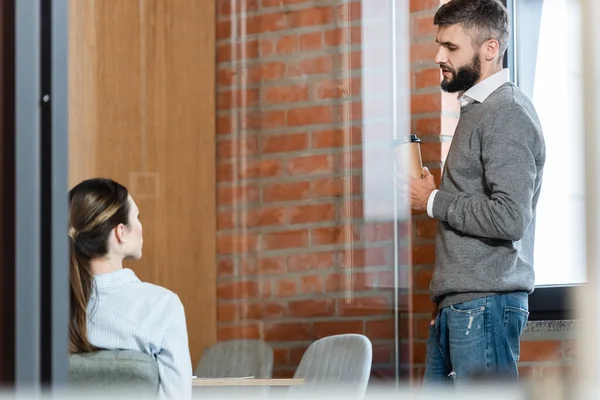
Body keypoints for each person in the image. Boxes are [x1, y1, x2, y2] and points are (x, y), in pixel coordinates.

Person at [410, 0, 546, 385]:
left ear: (489, 49)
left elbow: (509, 217)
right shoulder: (478, 110)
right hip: (463, 303)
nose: (438, 56)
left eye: (450, 47)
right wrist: (450, 296)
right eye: (439, 44)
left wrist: (433, 200)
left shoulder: (507, 112)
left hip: (482, 305)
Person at [69, 178, 192, 398]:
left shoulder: (42, 314)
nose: (141, 226)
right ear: (121, 232)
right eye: (137, 216)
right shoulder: (162, 307)